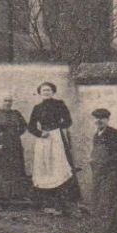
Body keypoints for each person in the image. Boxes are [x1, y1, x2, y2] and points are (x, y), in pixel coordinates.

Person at [28, 81, 78, 214]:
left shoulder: (59, 104)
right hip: (43, 140)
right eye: (44, 90)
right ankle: (46, 204)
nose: (46, 92)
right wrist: (40, 133)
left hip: (56, 138)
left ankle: (61, 204)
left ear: (53, 92)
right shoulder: (37, 107)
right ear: (40, 93)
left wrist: (58, 128)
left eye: (49, 90)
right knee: (44, 167)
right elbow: (31, 126)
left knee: (58, 167)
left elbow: (68, 121)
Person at [88, 108, 117, 233]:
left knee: (109, 205)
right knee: (100, 205)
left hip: (111, 174)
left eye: (102, 118)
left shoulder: (114, 133)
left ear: (107, 119)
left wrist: (107, 161)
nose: (98, 120)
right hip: (98, 174)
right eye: (96, 118)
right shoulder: (97, 135)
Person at [0, 95, 30, 208]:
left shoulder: (16, 114)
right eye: (5, 100)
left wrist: (14, 135)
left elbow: (23, 126)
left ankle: (11, 198)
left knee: (13, 170)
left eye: (10, 101)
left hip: (13, 147)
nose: (7, 103)